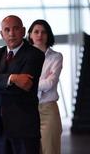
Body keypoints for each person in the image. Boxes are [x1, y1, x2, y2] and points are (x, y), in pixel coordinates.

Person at [0, 15, 45, 154]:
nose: (11, 33)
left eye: (15, 29)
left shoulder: (35, 54)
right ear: (1, 33)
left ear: (23, 31)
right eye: (7, 29)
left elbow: (25, 86)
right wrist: (13, 78)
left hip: (24, 127)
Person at [27, 19, 63, 154]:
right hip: (27, 110)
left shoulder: (56, 57)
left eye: (43, 32)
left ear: (48, 35)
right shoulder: (23, 57)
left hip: (48, 110)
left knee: (50, 150)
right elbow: (20, 83)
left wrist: (29, 82)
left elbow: (50, 84)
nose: (39, 35)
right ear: (30, 34)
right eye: (36, 32)